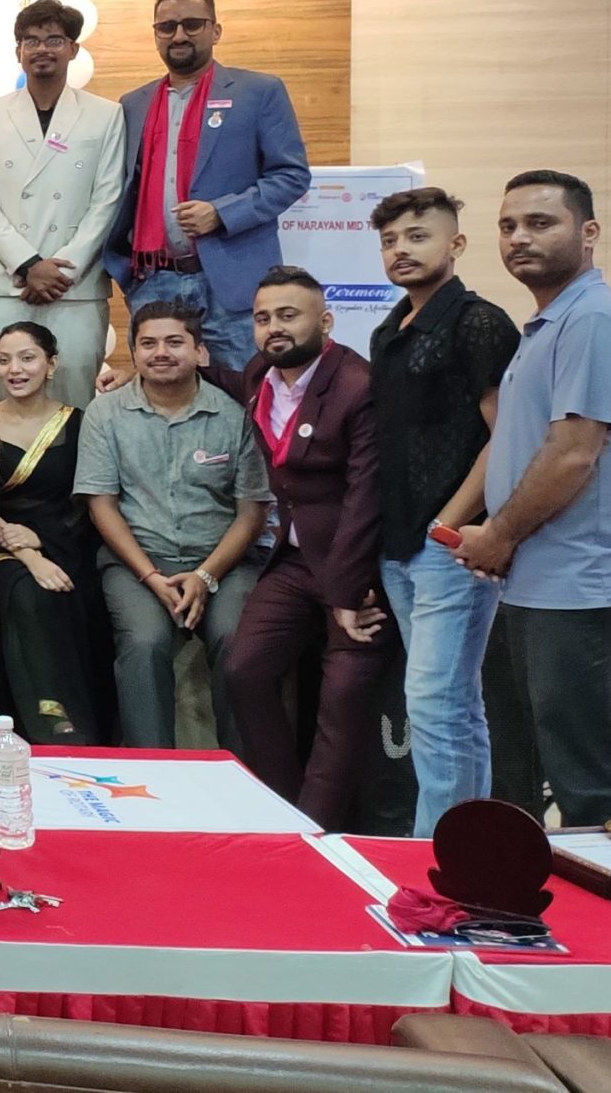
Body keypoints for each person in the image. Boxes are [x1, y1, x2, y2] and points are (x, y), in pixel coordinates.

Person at [455, 171, 611, 826]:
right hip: (538, 585)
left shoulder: (593, 320)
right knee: (518, 774)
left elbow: (573, 453)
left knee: (590, 789)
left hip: (585, 588)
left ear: (589, 232)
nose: (519, 237)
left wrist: (499, 534)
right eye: (508, 225)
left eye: (540, 223)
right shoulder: (550, 324)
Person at [366, 186, 518, 835]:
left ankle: (438, 850)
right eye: (389, 240)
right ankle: (466, 843)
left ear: (455, 244)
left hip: (451, 547)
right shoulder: (389, 329)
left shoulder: (479, 322)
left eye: (417, 236)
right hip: (399, 545)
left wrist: (447, 523)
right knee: (449, 705)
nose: (401, 250)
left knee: (435, 704)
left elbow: (508, 437)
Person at [220, 267, 387, 829]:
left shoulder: (358, 386)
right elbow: (229, 379)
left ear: (326, 321)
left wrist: (348, 592)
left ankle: (318, 832)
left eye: (288, 316)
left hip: (357, 568)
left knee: (341, 704)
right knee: (244, 670)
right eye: (263, 318)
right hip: (293, 560)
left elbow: (367, 496)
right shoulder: (258, 375)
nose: (274, 328)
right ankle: (285, 807)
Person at [76, 301, 270, 751]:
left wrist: (205, 575)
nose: (160, 352)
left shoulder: (235, 415)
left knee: (234, 639)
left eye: (174, 342)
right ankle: (154, 770)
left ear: (200, 351)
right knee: (144, 642)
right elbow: (101, 506)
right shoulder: (105, 415)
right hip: (136, 564)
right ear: (134, 353)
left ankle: (238, 770)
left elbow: (252, 512)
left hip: (224, 563)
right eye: (148, 343)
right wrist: (150, 576)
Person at [104, 0, 310, 368]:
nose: (179, 35)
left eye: (192, 24)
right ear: (156, 34)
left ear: (215, 30)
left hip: (231, 285)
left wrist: (221, 213)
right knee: (158, 393)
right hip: (153, 283)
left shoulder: (258, 92)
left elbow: (291, 176)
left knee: (244, 391)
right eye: (167, 27)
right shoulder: (133, 104)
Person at [0, 0, 125, 407]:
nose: (42, 49)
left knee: (74, 403)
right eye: (31, 41)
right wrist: (28, 265)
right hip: (5, 284)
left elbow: (108, 199)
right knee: (5, 402)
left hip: (74, 286)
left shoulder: (106, 115)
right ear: (18, 51)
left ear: (73, 49)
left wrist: (59, 271)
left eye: (54, 39)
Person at [0, 322, 107, 745]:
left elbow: (89, 499)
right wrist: (24, 550)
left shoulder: (79, 423)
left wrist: (42, 542)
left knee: (75, 593)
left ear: (51, 364)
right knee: (29, 593)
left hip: (67, 540)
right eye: (4, 360)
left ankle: (87, 725)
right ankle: (49, 727)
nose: (15, 369)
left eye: (27, 358)